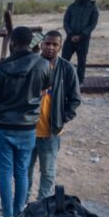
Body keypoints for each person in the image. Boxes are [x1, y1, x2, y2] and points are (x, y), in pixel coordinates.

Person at [0, 26, 51, 217]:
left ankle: (7, 216)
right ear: (31, 42)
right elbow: (47, 86)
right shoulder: (42, 64)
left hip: (3, 126)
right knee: (21, 171)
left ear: (12, 43)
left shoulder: (2, 67)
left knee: (5, 171)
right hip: (28, 127)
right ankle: (19, 212)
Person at [27, 30, 81, 200]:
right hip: (27, 130)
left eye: (54, 44)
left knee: (48, 173)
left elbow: (75, 99)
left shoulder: (67, 68)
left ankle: (42, 208)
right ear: (41, 45)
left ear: (60, 47)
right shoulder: (31, 64)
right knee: (24, 172)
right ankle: (23, 206)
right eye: (47, 43)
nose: (50, 47)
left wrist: (62, 118)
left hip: (51, 132)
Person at [62, 0, 99, 84]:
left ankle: (79, 82)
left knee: (81, 62)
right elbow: (66, 21)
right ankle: (62, 79)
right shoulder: (72, 6)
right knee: (64, 60)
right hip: (70, 38)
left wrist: (82, 35)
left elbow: (93, 24)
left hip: (83, 39)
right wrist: (70, 34)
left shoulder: (93, 8)